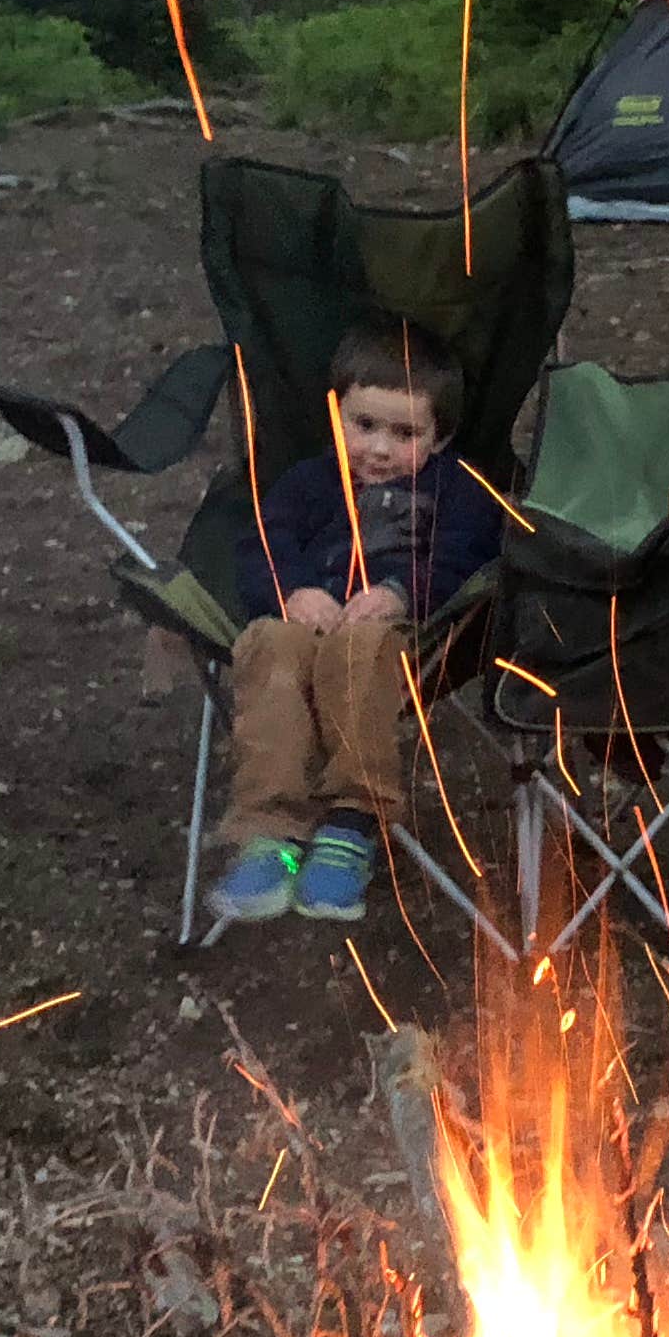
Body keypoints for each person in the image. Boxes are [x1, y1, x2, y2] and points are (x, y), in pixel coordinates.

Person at [206, 320, 507, 926]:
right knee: (267, 643)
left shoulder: (456, 493)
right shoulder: (309, 484)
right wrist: (292, 591)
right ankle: (270, 833)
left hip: (401, 636)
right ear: (335, 418)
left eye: (404, 434)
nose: (378, 449)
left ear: (439, 439)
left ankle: (351, 822)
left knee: (363, 646)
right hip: (304, 620)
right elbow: (262, 544)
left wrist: (400, 593)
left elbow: (469, 557)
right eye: (363, 426)